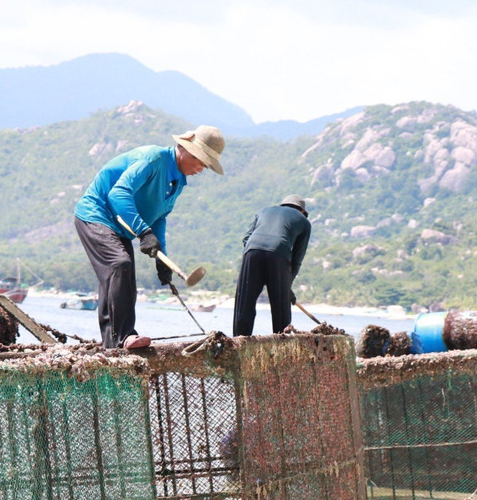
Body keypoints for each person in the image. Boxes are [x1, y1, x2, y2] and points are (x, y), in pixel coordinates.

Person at [72, 125, 225, 349]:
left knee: (123, 279)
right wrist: (143, 232)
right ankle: (124, 337)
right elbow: (118, 194)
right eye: (201, 161)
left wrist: (162, 256)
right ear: (186, 150)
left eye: (206, 165)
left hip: (120, 227)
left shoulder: (178, 182)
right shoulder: (153, 159)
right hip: (96, 215)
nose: (201, 169)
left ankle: (112, 344)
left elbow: (159, 216)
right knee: (119, 265)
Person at [232, 195, 312, 336]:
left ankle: (239, 341)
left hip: (252, 250)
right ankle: (282, 343)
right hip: (279, 253)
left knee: (244, 302)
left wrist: (255, 251)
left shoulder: (264, 211)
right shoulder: (304, 222)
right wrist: (287, 287)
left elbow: (246, 238)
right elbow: (297, 258)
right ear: (302, 211)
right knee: (280, 307)